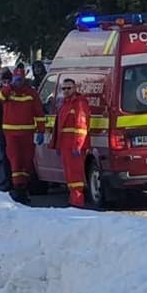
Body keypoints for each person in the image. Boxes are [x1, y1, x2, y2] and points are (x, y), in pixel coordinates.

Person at [0, 68, 45, 203]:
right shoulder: (7, 91)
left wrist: (41, 130)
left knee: (26, 161)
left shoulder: (31, 93)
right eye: (16, 79)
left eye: (20, 79)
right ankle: (18, 188)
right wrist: (9, 86)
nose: (18, 81)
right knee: (15, 160)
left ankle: (23, 187)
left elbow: (39, 112)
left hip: (27, 133)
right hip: (11, 133)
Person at [51, 77, 91, 207]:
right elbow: (59, 126)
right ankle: (73, 200)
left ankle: (77, 202)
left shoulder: (79, 103)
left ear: (75, 88)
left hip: (73, 145)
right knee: (69, 174)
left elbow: (81, 126)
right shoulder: (64, 104)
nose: (66, 90)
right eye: (64, 88)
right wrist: (58, 145)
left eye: (69, 88)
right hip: (65, 145)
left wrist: (78, 145)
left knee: (75, 175)